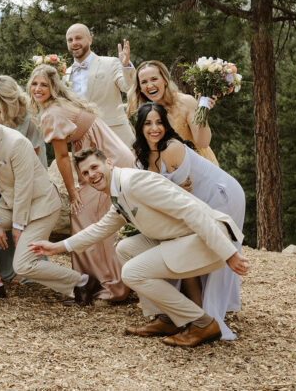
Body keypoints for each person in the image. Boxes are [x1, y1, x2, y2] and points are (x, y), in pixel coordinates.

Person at [29, 148, 249, 347]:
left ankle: (202, 323)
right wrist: (56, 247)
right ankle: (167, 318)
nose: (91, 175)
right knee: (125, 248)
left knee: (131, 273)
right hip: (182, 238)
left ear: (109, 164)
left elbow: (190, 210)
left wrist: (228, 253)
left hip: (207, 242)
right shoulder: (119, 192)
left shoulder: (135, 183)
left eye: (94, 167)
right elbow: (99, 229)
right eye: (85, 173)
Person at [133, 102, 245, 339]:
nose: (155, 128)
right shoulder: (141, 155)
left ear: (166, 125)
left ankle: (206, 318)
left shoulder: (172, 149)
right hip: (186, 204)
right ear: (140, 127)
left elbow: (184, 197)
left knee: (193, 247)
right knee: (182, 249)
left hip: (218, 194)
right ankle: (187, 316)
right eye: (148, 123)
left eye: (159, 122)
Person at [0, 97, 89, 302]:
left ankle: (81, 281)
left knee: (22, 265)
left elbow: (24, 187)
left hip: (41, 206)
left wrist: (17, 227)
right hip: (11, 205)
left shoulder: (16, 143)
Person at [28, 63, 134, 303]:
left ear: (53, 87)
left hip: (106, 161)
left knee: (85, 215)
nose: (38, 88)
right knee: (104, 218)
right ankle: (100, 280)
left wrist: (73, 194)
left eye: (44, 84)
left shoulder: (52, 114)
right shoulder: (60, 105)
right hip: (107, 154)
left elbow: (62, 156)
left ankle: (108, 286)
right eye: (34, 84)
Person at [0, 75, 47, 282]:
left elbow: (35, 156)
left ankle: (28, 268)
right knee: (10, 215)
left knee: (29, 219)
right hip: (7, 179)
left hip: (31, 176)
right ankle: (10, 267)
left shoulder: (30, 120)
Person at [128, 60, 219, 165]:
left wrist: (203, 113)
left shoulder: (186, 102)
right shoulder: (145, 114)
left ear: (165, 80)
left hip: (201, 167)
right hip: (172, 174)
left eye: (154, 79)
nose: (149, 85)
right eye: (144, 82)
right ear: (140, 88)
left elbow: (203, 142)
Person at [62, 24, 136, 144]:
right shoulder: (65, 74)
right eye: (70, 40)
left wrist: (126, 66)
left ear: (90, 40)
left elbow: (129, 87)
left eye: (78, 38)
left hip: (116, 136)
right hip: (83, 141)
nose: (74, 42)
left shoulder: (110, 63)